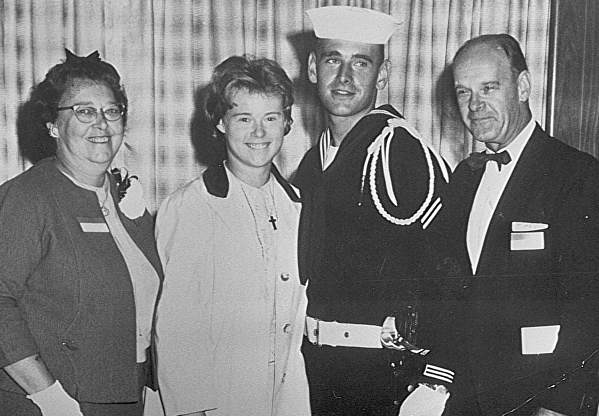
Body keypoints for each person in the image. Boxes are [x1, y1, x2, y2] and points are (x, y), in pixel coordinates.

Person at [294, 6, 463, 415]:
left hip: (384, 378)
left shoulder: (399, 151)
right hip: (317, 369)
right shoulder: (311, 163)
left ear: (382, 76)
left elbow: (454, 273)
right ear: (314, 68)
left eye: (361, 63)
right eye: (334, 60)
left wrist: (436, 380)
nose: (345, 78)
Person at [0, 50, 162, 416]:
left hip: (125, 393)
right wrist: (48, 396)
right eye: (84, 112)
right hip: (54, 399)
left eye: (111, 111)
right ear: (53, 125)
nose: (102, 124)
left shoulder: (127, 199)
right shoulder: (28, 197)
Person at [447, 33, 599, 415]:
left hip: (538, 399)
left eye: (489, 88)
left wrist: (561, 406)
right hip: (466, 396)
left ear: (523, 86)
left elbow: (589, 309)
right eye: (464, 92)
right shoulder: (464, 178)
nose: (475, 105)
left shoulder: (577, 175)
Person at [154, 55, 311, 416]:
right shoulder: (188, 207)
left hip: (287, 401)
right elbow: (176, 326)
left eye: (270, 118)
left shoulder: (299, 206)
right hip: (217, 404)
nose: (259, 133)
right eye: (244, 119)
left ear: (286, 123)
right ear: (221, 123)